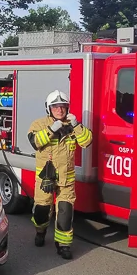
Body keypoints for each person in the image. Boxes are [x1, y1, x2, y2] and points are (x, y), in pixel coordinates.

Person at [26, 90, 93, 259]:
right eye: (55, 106)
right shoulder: (39, 124)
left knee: (65, 214)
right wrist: (51, 129)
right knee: (41, 211)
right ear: (49, 108)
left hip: (66, 180)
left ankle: (63, 245)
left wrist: (77, 125)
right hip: (45, 180)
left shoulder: (73, 126)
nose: (59, 110)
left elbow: (87, 141)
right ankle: (40, 231)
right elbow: (35, 142)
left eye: (62, 106)